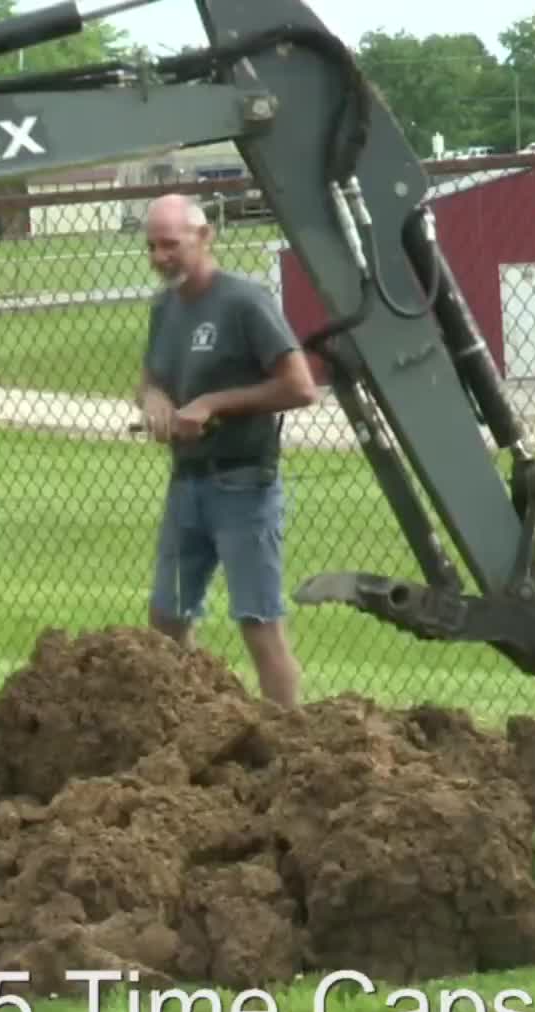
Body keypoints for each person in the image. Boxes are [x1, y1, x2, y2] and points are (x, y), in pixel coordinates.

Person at [134, 194, 320, 708]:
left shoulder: (244, 302)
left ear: (204, 237)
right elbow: (150, 380)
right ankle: (192, 718)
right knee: (167, 617)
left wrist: (214, 404)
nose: (159, 256)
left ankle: (289, 738)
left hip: (244, 485)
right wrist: (155, 403)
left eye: (169, 244)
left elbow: (300, 388)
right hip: (186, 485)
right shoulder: (164, 308)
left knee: (258, 621)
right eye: (151, 245)